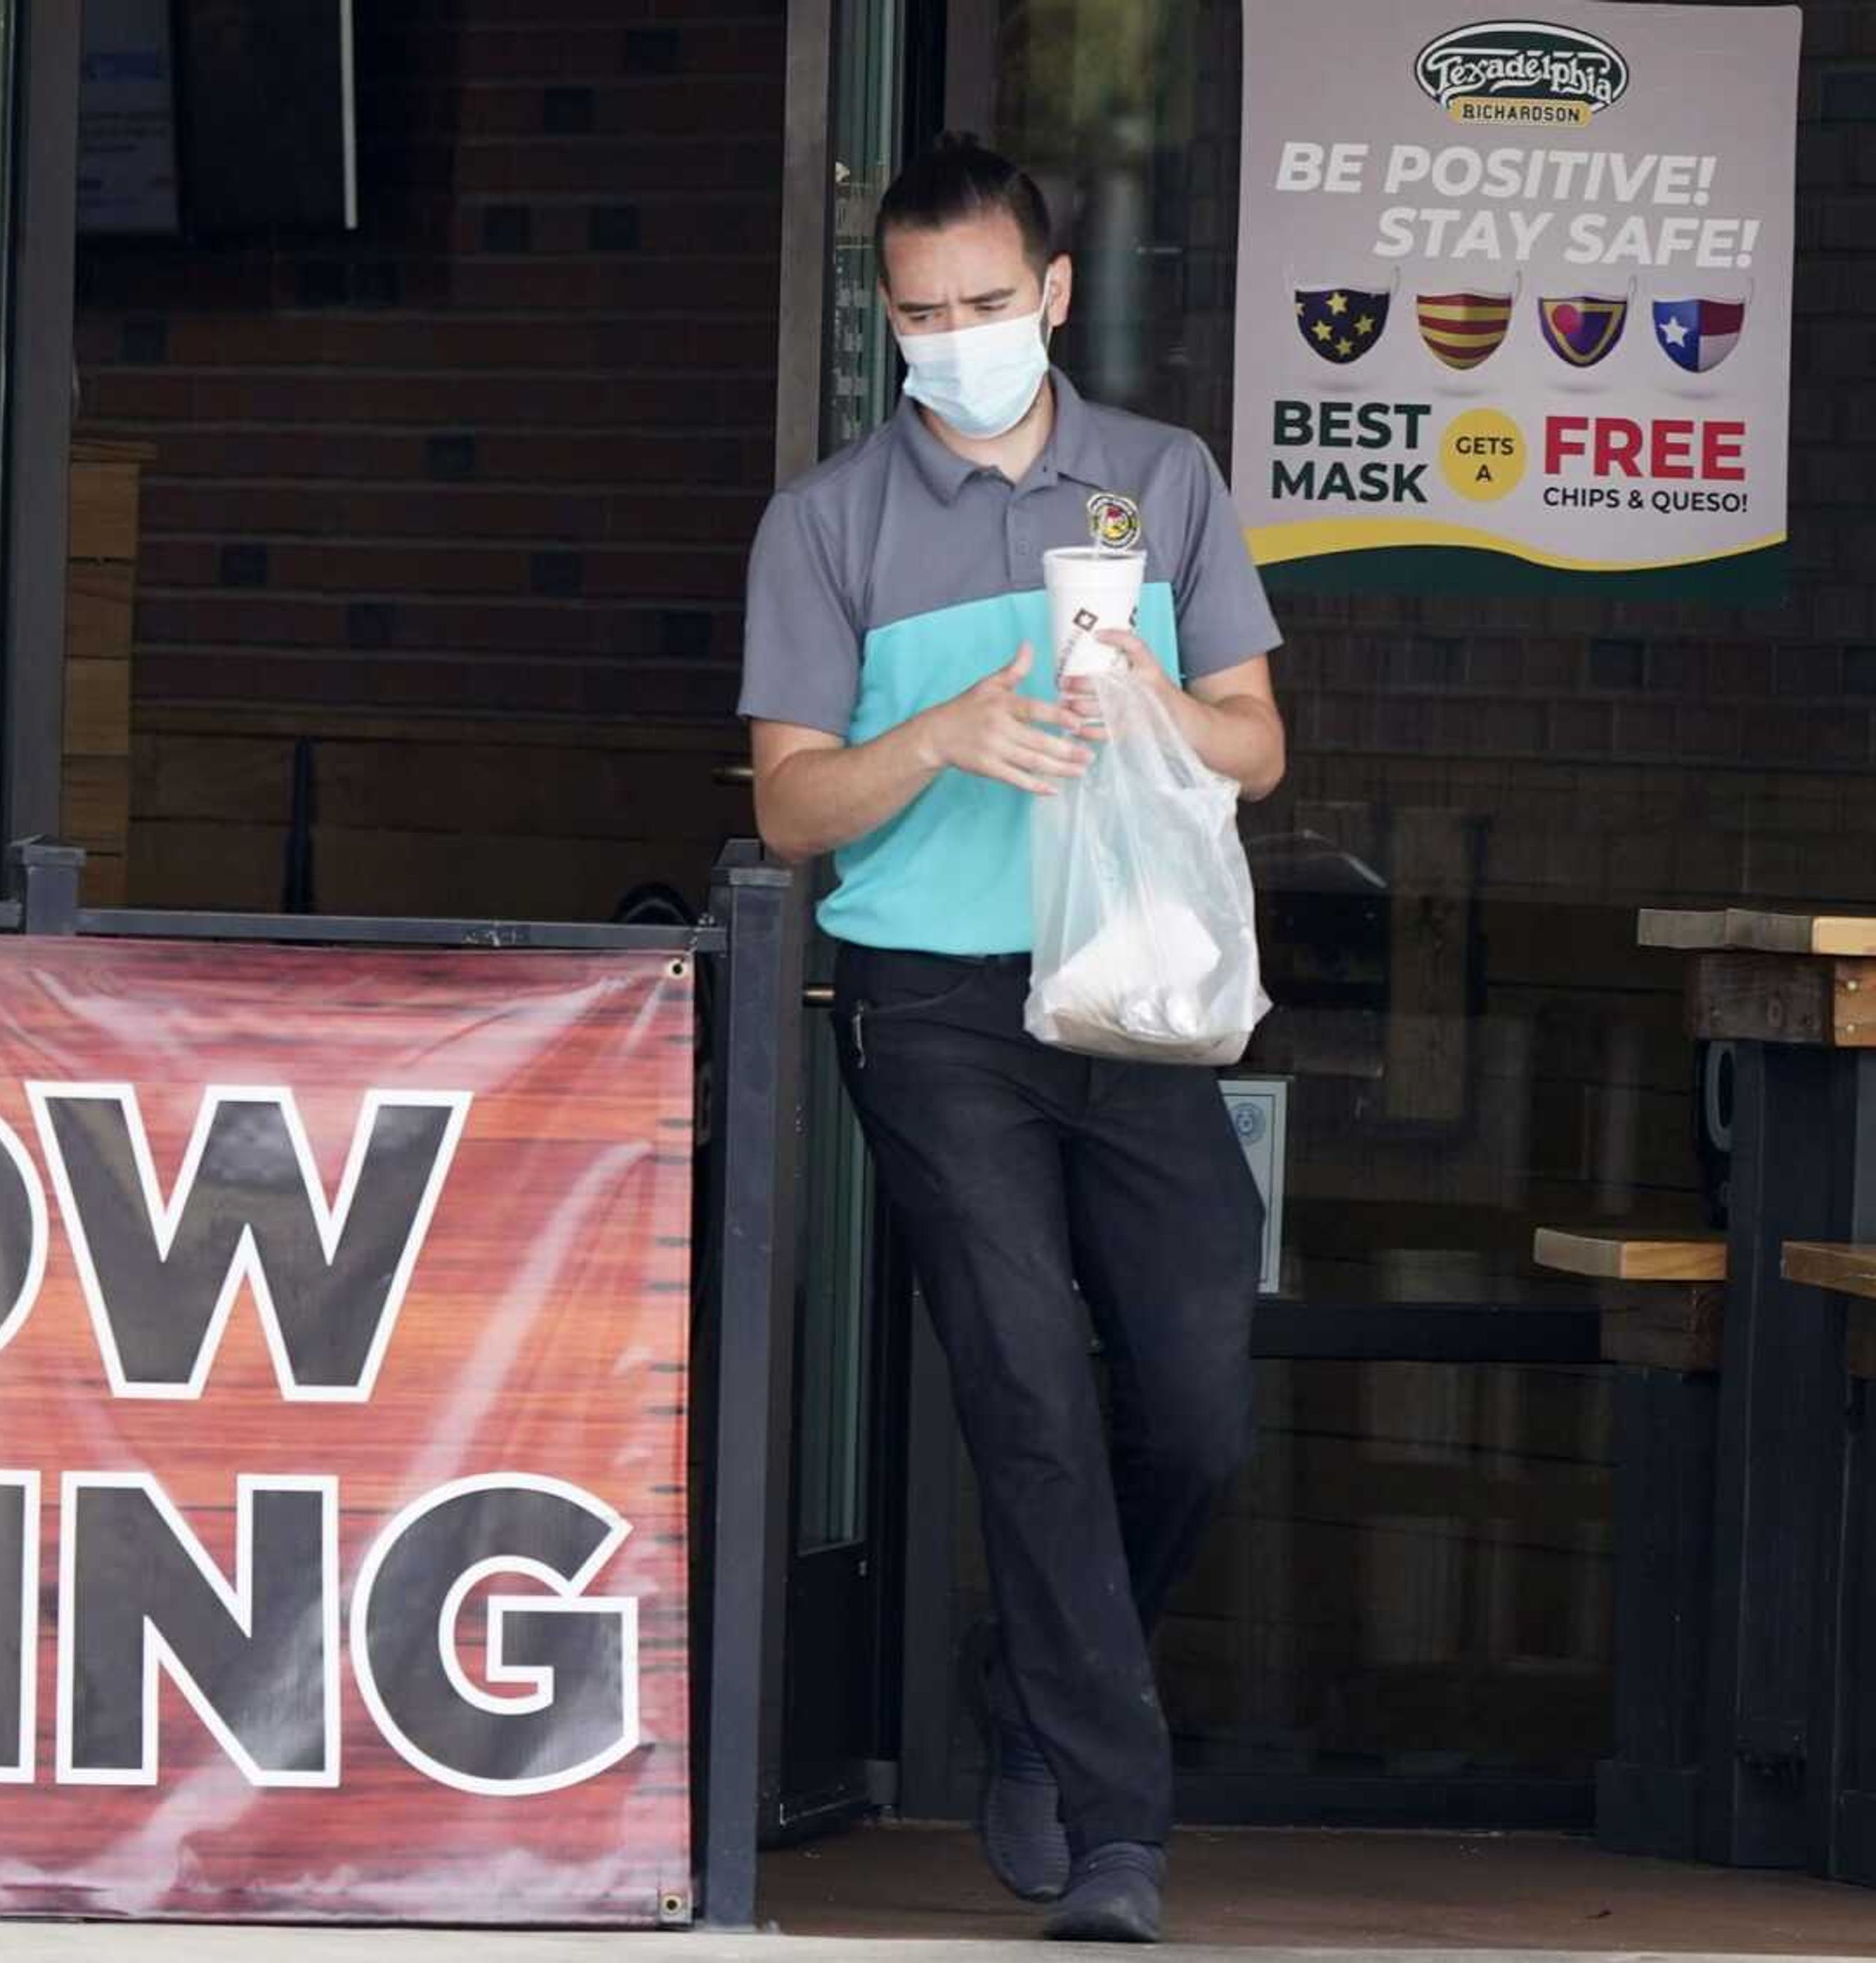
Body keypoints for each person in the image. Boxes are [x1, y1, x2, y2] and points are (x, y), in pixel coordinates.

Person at [738, 137, 1285, 1944]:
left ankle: (1038, 1683)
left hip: (1125, 983)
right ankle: (1114, 1823)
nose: (953, 339)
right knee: (1028, 1395)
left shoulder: (1157, 481)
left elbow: (1257, 749)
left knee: (1197, 1402)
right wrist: (947, 733)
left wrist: (1150, 703)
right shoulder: (827, 522)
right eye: (918, 316)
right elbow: (798, 807)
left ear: (1051, 292)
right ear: (884, 320)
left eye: (984, 303)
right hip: (936, 1001)